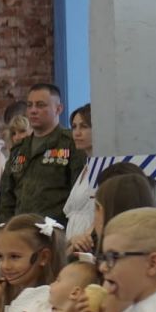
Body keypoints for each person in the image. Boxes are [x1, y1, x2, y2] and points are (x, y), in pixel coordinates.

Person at [0, 83, 86, 228]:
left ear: (58, 109)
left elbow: (79, 195)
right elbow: (5, 199)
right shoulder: (19, 149)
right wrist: (1, 229)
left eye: (40, 105)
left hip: (55, 231)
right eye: (29, 105)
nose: (33, 110)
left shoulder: (70, 143)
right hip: (20, 230)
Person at [62, 105, 97, 251]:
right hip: (73, 242)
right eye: (74, 127)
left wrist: (82, 241)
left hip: (87, 244)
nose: (77, 133)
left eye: (84, 126)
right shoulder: (86, 166)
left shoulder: (103, 166)